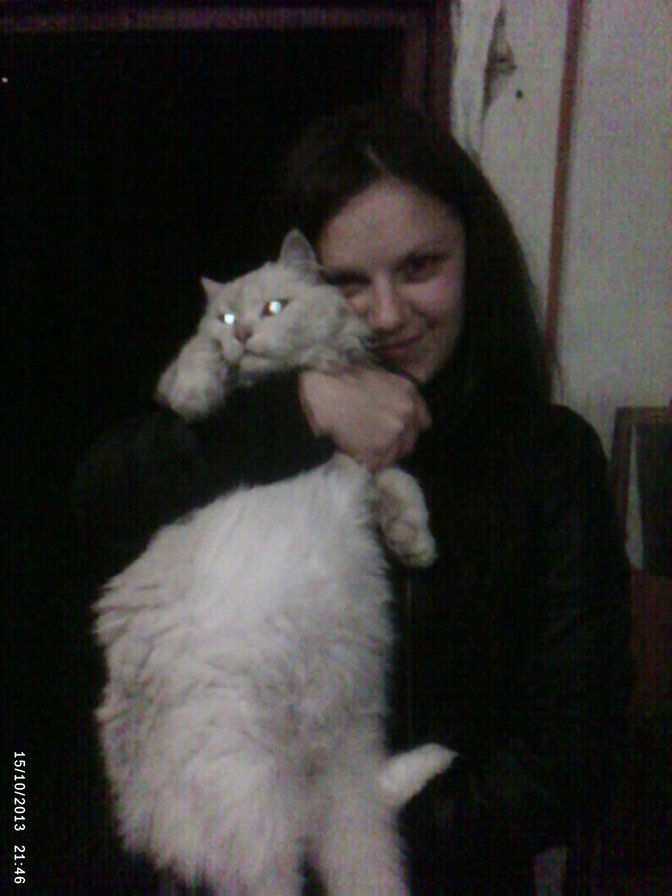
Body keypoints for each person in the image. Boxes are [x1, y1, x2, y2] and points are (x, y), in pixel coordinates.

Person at [72, 102, 631, 895]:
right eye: (347, 282)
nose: (389, 314)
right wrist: (297, 414)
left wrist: (346, 837)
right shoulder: (250, 410)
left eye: (420, 267)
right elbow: (99, 500)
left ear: (472, 257)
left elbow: (573, 753)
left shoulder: (551, 456)